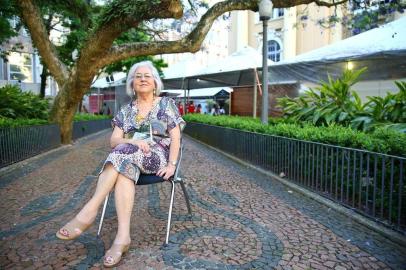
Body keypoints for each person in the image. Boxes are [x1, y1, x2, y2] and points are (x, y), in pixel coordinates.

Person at [56, 61, 185, 268]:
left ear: (155, 83)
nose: (142, 79)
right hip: (130, 155)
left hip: (158, 155)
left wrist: (172, 165)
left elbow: (176, 137)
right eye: (137, 76)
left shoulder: (165, 104)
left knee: (121, 154)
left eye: (147, 76)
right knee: (124, 168)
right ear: (132, 84)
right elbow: (114, 140)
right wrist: (133, 141)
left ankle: (89, 210)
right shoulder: (126, 110)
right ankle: (122, 239)